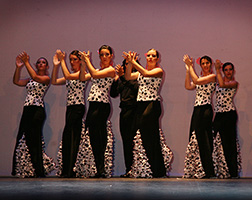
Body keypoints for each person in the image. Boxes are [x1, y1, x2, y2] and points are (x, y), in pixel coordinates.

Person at [123, 49, 173, 178]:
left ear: (157, 58)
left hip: (152, 104)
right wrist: (129, 63)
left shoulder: (158, 71)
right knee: (144, 136)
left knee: (152, 137)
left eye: (153, 56)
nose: (150, 57)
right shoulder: (139, 74)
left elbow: (145, 72)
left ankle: (158, 170)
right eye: (148, 55)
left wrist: (133, 62)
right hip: (141, 104)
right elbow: (128, 77)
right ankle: (151, 168)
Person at [12, 52, 51, 178]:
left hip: (37, 110)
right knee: (24, 138)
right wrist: (19, 67)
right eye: (39, 62)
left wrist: (27, 62)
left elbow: (35, 76)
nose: (41, 64)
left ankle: (39, 170)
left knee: (35, 140)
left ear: (46, 67)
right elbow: (16, 81)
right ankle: (28, 169)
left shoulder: (46, 78)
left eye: (43, 62)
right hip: (27, 109)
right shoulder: (30, 79)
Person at [51, 49, 90, 178]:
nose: (72, 62)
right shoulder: (71, 75)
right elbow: (54, 81)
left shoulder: (83, 73)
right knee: (68, 137)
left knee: (73, 137)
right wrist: (56, 65)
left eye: (74, 59)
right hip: (70, 107)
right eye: (70, 60)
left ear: (80, 61)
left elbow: (68, 76)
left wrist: (62, 60)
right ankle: (66, 169)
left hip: (78, 107)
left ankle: (70, 170)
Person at [80, 45, 116, 178]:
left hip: (102, 105)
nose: (104, 57)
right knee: (94, 136)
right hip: (93, 104)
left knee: (99, 137)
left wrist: (88, 60)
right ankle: (99, 168)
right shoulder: (98, 70)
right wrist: (84, 63)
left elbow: (94, 75)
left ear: (111, 56)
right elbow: (83, 78)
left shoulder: (111, 70)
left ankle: (101, 168)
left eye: (107, 54)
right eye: (102, 54)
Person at [183, 54, 216, 179]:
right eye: (203, 63)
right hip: (197, 109)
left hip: (206, 109)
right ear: (200, 65)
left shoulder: (212, 77)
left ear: (210, 64)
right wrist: (188, 69)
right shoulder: (199, 77)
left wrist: (190, 66)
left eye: (207, 63)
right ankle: (197, 168)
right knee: (194, 136)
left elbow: (196, 81)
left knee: (204, 139)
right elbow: (188, 86)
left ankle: (208, 170)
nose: (205, 65)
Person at [110, 59, 139, 177]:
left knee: (134, 141)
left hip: (135, 111)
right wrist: (116, 79)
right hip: (124, 111)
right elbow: (113, 94)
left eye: (131, 64)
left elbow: (135, 89)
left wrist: (123, 77)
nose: (128, 66)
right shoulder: (121, 79)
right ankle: (129, 169)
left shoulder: (138, 76)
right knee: (126, 141)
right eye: (127, 64)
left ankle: (137, 168)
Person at [213, 60, 241, 178]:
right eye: (226, 70)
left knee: (229, 143)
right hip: (219, 114)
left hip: (229, 114)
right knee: (215, 141)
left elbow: (223, 85)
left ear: (233, 71)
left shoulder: (234, 83)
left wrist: (218, 70)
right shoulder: (218, 81)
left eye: (230, 69)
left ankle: (233, 172)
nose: (228, 72)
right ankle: (219, 170)